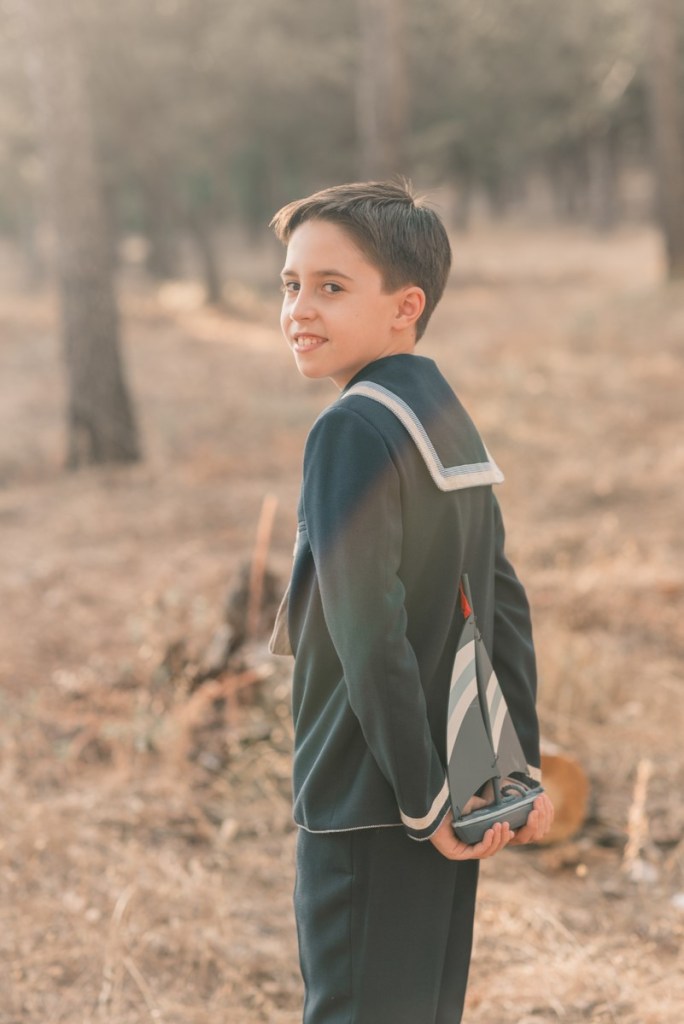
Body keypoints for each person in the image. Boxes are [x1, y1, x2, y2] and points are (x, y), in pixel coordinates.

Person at [268, 180, 554, 1024]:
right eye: (291, 284)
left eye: (331, 286)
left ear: (406, 306)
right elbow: (503, 602)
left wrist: (424, 800)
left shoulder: (352, 427)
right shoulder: (438, 411)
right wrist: (509, 775)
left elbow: (368, 631)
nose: (299, 309)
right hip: (455, 786)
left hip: (371, 799)